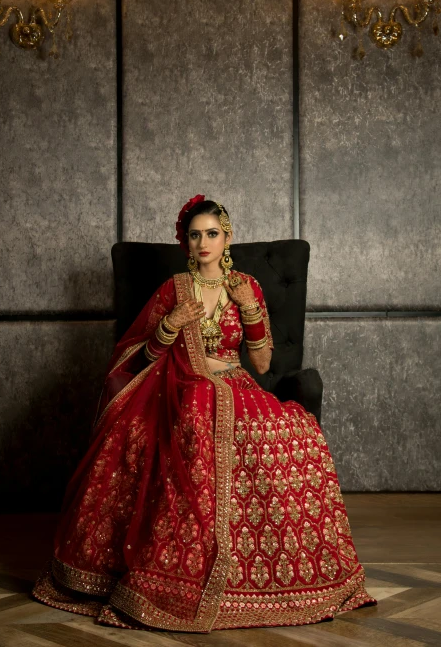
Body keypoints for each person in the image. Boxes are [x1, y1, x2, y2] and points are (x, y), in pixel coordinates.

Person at [32, 196, 376, 631]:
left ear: (226, 237)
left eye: (211, 233)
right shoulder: (173, 289)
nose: (203, 242)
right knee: (191, 410)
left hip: (234, 384)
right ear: (186, 242)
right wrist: (170, 325)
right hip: (181, 386)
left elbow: (266, 363)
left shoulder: (246, 285)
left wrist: (249, 307)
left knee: (293, 431)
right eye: (195, 235)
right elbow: (141, 359)